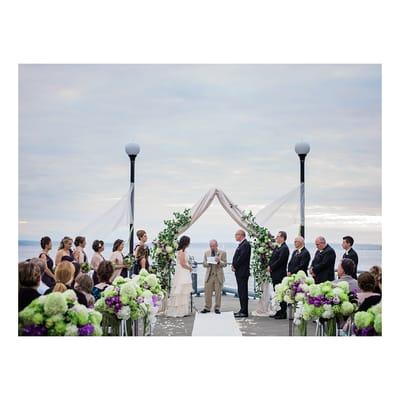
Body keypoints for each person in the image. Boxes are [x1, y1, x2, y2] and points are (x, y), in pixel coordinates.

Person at [166, 236, 193, 318]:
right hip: (182, 272)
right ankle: (179, 312)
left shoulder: (183, 251)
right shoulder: (181, 251)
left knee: (184, 292)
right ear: (186, 242)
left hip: (184, 272)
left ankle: (183, 311)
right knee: (180, 291)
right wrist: (190, 268)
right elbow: (182, 263)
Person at [200, 239, 227, 314]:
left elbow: (225, 264)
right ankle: (207, 308)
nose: (212, 247)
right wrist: (208, 263)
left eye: (214, 246)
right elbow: (204, 264)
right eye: (211, 246)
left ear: (217, 245)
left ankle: (217, 308)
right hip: (209, 276)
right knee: (207, 293)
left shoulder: (223, 253)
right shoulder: (206, 253)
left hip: (218, 276)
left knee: (218, 293)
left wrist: (219, 261)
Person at [268, 231, 290, 319]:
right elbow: (273, 258)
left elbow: (280, 261)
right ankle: (278, 311)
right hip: (275, 274)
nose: (276, 238)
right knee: (277, 294)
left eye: (277, 237)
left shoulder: (284, 248)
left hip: (280, 274)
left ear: (282, 238)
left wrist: (271, 267)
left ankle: (283, 312)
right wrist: (269, 266)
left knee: (281, 293)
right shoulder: (278, 247)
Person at [232, 229, 251, 318]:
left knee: (243, 292)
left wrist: (234, 265)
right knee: (241, 291)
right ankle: (242, 309)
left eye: (236, 235)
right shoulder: (242, 244)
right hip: (240, 272)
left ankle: (244, 311)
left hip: (242, 272)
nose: (235, 236)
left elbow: (242, 258)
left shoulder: (246, 245)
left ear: (241, 235)